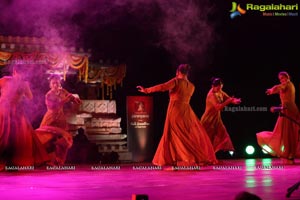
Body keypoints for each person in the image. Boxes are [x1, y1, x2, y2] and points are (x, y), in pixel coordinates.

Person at [137, 64, 218, 166]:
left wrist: (147, 90)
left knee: (175, 134)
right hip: (188, 112)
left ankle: (184, 158)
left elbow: (162, 87)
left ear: (178, 72)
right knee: (184, 135)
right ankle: (186, 157)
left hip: (175, 110)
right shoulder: (192, 86)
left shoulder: (176, 81)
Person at [0, 65, 49, 170]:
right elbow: (29, 97)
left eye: (21, 75)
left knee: (18, 137)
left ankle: (14, 162)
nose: (20, 76)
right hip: (4, 111)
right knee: (5, 136)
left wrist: (21, 95)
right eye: (19, 74)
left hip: (16, 113)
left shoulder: (22, 84)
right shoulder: (4, 80)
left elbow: (30, 97)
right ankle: (9, 161)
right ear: (14, 71)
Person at [35, 74, 82, 165]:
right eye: (53, 83)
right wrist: (65, 101)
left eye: (57, 83)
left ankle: (59, 160)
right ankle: (47, 160)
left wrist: (75, 100)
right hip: (50, 118)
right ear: (50, 85)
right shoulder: (48, 95)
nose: (55, 85)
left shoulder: (62, 91)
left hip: (60, 119)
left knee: (63, 140)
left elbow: (70, 96)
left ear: (59, 83)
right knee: (48, 139)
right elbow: (53, 107)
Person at [256, 71, 300, 164]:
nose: (281, 80)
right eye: (280, 79)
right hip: (286, 110)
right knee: (285, 134)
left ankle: (289, 155)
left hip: (289, 111)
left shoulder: (288, 84)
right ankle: (289, 155)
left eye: (283, 78)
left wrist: (272, 90)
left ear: (287, 77)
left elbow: (281, 88)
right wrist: (277, 106)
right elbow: (282, 93)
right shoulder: (287, 85)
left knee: (288, 134)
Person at [200, 77, 241, 154]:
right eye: (218, 88)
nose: (219, 89)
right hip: (208, 120)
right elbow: (218, 107)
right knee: (207, 140)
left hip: (217, 119)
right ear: (213, 86)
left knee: (222, 134)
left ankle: (211, 156)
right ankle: (206, 157)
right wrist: (228, 101)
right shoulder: (211, 95)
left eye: (220, 88)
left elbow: (228, 98)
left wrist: (235, 100)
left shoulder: (219, 91)